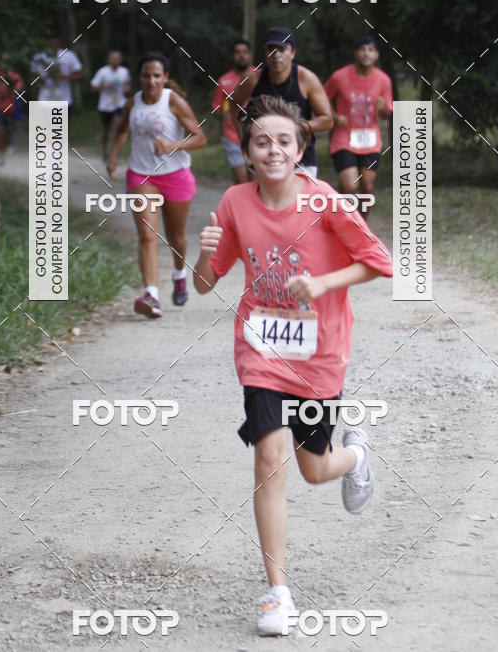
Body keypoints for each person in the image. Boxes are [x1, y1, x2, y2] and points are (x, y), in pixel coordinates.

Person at [193, 94, 392, 637]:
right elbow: (205, 284)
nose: (274, 149)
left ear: (300, 148)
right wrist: (200, 250)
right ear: (247, 149)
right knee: (269, 457)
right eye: (262, 141)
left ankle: (353, 457)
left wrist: (323, 283)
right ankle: (278, 593)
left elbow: (380, 262)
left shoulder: (325, 200)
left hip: (318, 354)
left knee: (313, 468)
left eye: (284, 140)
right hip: (261, 351)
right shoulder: (234, 202)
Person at [108, 52, 207, 317]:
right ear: (139, 78)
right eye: (146, 75)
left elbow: (200, 138)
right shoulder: (132, 103)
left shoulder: (174, 101)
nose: (151, 81)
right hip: (141, 175)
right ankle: (151, 295)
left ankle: (178, 273)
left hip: (175, 174)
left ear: (165, 77)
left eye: (156, 75)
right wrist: (113, 155)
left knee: (176, 237)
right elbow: (120, 130)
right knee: (147, 235)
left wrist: (173, 145)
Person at [230, 27, 333, 179]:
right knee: (263, 202)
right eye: (271, 49)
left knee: (298, 202)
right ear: (266, 54)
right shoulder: (253, 80)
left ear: (292, 53)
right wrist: (243, 138)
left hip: (301, 156)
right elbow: (234, 103)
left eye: (282, 49)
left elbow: (327, 120)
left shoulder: (306, 79)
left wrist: (297, 127)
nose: (276, 55)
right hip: (264, 156)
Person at [324, 36, 393, 218]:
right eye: (362, 49)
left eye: (370, 50)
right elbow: (322, 96)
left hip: (370, 141)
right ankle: (338, 209)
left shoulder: (383, 80)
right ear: (356, 53)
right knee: (349, 186)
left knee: (367, 187)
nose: (366, 53)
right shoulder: (339, 77)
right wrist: (333, 116)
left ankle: (362, 230)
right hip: (344, 138)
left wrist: (383, 108)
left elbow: (386, 113)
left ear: (376, 55)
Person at [211, 39, 256, 183]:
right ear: (233, 56)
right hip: (233, 137)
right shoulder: (224, 81)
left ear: (249, 55)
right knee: (243, 181)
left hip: (256, 135)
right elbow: (216, 108)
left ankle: (236, 202)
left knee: (256, 180)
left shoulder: (259, 76)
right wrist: (222, 115)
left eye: (244, 52)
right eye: (237, 52)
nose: (241, 56)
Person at [90, 50, 132, 162]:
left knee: (117, 127)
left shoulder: (124, 71)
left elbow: (127, 84)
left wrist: (127, 88)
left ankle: (115, 152)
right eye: (113, 59)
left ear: (120, 60)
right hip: (105, 106)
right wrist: (104, 86)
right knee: (106, 130)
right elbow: (93, 88)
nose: (115, 61)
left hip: (119, 104)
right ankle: (104, 150)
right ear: (109, 60)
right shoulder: (102, 72)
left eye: (117, 59)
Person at [31, 32, 84, 115]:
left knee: (61, 128)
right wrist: (43, 77)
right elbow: (32, 79)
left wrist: (65, 77)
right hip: (44, 100)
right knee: (45, 128)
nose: (53, 45)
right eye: (51, 42)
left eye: (55, 42)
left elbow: (81, 77)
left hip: (63, 100)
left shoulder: (68, 55)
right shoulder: (39, 57)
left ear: (59, 42)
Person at [0, 53, 25, 165]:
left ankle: (10, 140)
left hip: (10, 104)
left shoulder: (12, 74)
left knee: (12, 126)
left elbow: (18, 86)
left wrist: (13, 90)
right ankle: (0, 154)